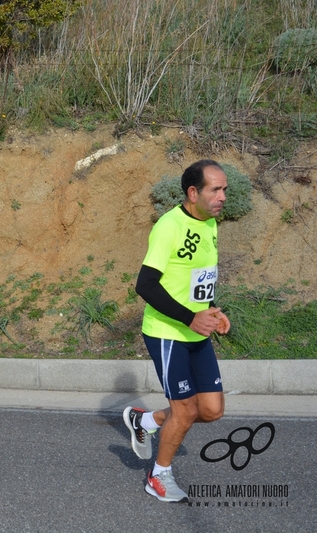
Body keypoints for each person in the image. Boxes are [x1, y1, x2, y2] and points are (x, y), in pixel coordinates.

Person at [123, 160, 231, 503]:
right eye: (216, 189)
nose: (223, 196)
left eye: (225, 189)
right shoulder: (170, 227)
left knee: (211, 410)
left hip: (197, 330)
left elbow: (198, 278)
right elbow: (146, 285)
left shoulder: (210, 223)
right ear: (193, 192)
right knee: (184, 411)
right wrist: (189, 318)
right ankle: (159, 476)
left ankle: (148, 421)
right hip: (168, 333)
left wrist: (212, 311)